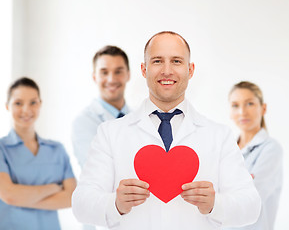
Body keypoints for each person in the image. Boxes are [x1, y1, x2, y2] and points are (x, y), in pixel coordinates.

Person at [72, 31, 261, 230]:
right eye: (157, 61)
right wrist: (115, 204)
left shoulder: (219, 136)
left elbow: (251, 206)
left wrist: (216, 204)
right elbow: (81, 205)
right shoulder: (110, 133)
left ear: (190, 70)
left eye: (177, 61)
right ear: (144, 69)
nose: (167, 70)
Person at [0, 77, 76, 230]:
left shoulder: (57, 150)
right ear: (7, 106)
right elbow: (9, 195)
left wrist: (21, 198)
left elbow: (72, 198)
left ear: (40, 104)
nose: (26, 110)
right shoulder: (2, 148)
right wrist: (54, 188)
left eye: (33, 102)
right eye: (18, 103)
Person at [225, 81, 283, 230]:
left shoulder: (271, 149)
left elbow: (250, 198)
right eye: (235, 105)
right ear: (230, 112)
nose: (242, 112)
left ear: (263, 108)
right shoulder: (225, 149)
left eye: (249, 104)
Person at [72, 45, 131, 168]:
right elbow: (97, 170)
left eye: (118, 71)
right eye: (104, 72)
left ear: (128, 75)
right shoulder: (84, 122)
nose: (111, 79)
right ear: (95, 77)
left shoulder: (139, 117)